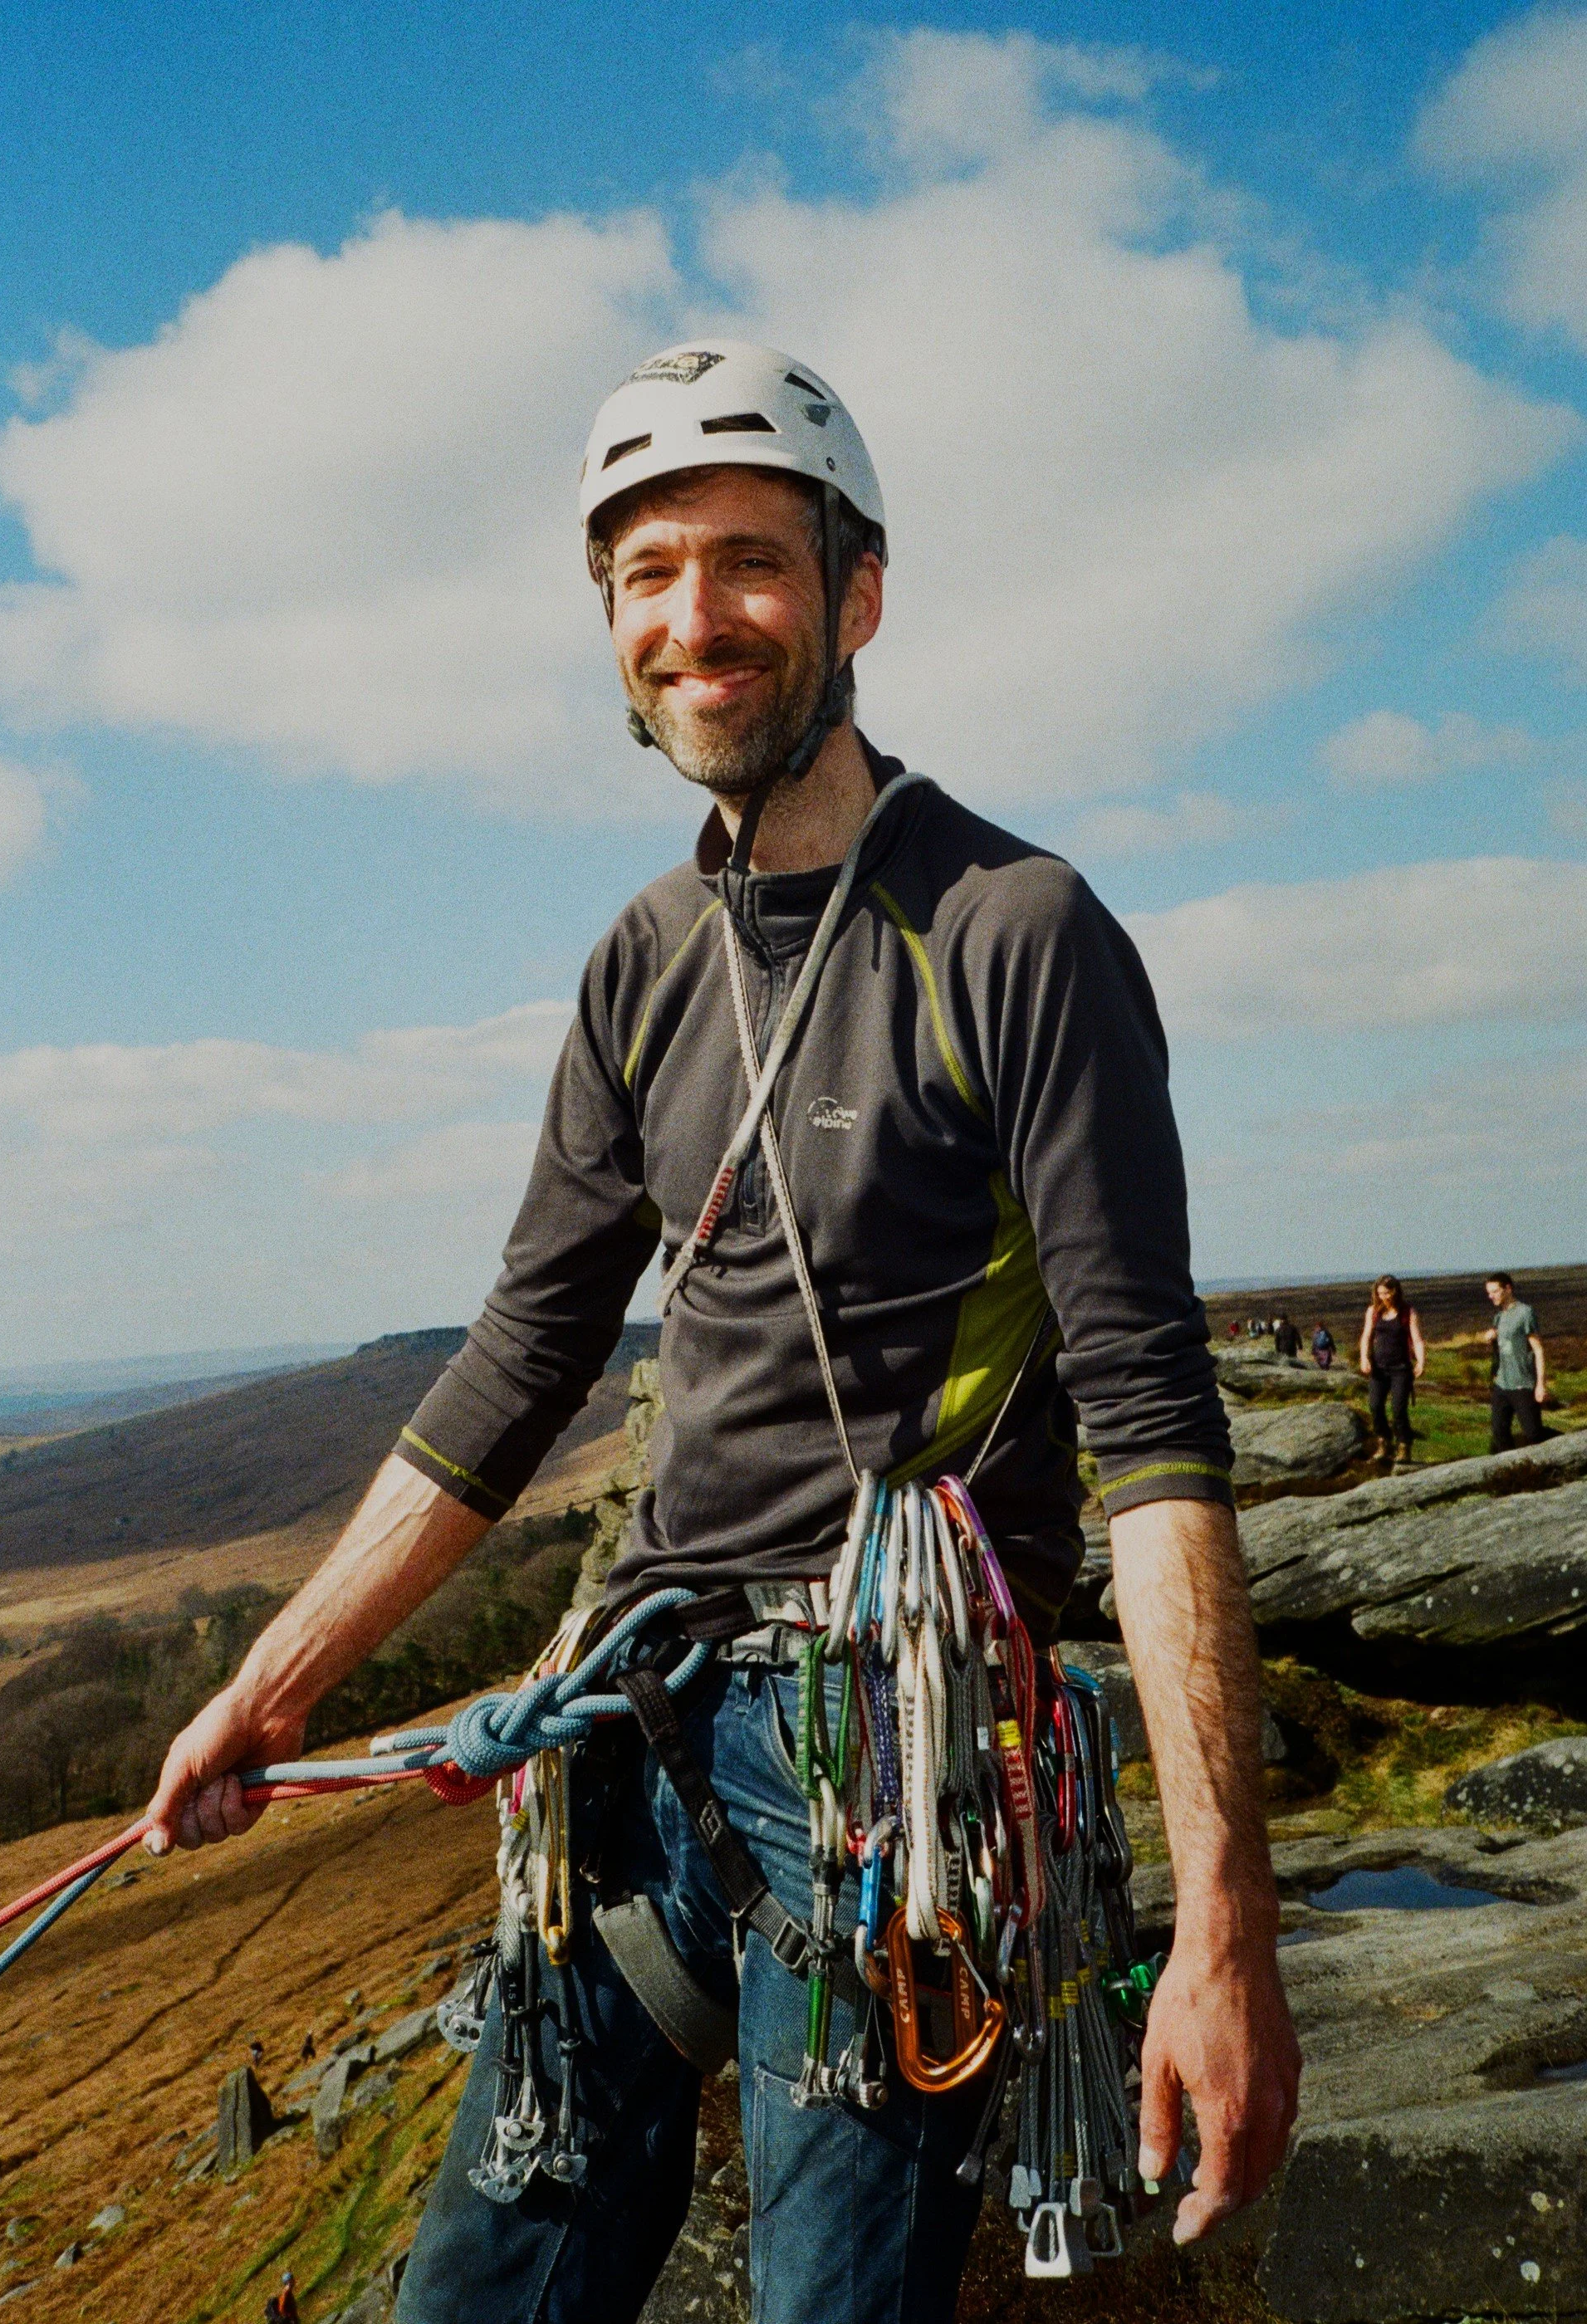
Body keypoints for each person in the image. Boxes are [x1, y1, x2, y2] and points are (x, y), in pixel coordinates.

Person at [143, 340, 1298, 2324]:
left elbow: (1152, 1424)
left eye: (750, 561)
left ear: (857, 592)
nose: (698, 617)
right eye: (647, 572)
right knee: (481, 2285)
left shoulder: (1012, 930)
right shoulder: (642, 963)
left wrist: (1223, 1920)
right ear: (608, 621)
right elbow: (521, 1360)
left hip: (884, 1759)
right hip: (633, 1728)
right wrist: (278, 1677)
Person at [1359, 1275, 1426, 1465]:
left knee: (1398, 1409)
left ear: (1395, 1292)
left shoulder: (1408, 1313)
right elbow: (1366, 1337)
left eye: (1386, 1293)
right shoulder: (1373, 1311)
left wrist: (1421, 1361)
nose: (1383, 1297)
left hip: (1401, 1370)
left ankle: (1404, 1446)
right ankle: (1384, 1442)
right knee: (1375, 1406)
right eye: (1380, 1293)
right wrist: (1364, 1357)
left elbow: (1418, 1339)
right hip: (1379, 1369)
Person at [1481, 1274, 1547, 1451]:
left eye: (1495, 1291)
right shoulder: (1499, 1316)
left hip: (1522, 1385)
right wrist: (1492, 1336)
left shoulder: (1525, 1313)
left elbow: (1538, 1349)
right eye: (1489, 1293)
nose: (1491, 1296)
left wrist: (1540, 1384)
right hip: (1501, 1384)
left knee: (1533, 1434)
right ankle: (1510, 1472)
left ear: (1508, 1289)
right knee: (1499, 1433)